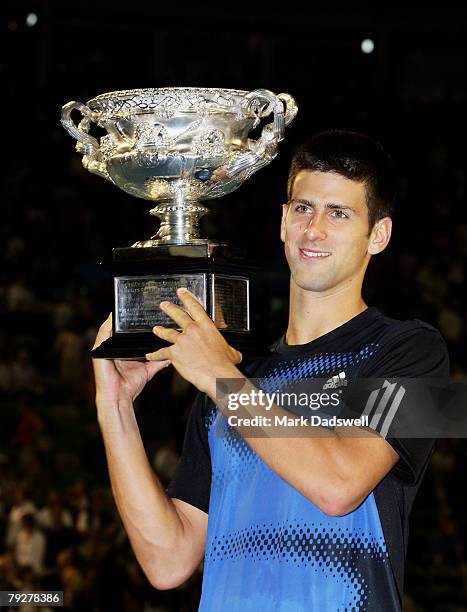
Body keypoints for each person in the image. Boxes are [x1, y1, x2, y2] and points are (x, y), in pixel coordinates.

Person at [92, 130, 449, 611]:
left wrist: (223, 379)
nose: (314, 229)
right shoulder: (236, 372)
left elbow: (339, 488)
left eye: (339, 213)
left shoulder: (417, 352)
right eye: (303, 208)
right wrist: (114, 406)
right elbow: (167, 562)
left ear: (378, 235)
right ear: (283, 221)